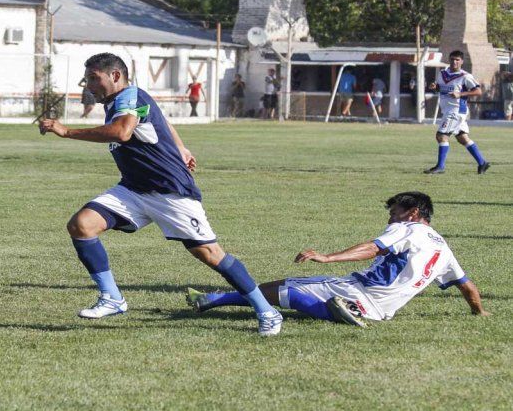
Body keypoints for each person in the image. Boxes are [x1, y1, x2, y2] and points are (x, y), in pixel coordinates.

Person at [39, 53, 283, 336]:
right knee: (82, 225)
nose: (89, 85)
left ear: (115, 76)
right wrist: (181, 147)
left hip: (170, 192)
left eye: (95, 78)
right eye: (88, 79)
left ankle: (267, 311)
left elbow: (121, 133)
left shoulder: (130, 96)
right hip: (134, 188)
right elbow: (162, 121)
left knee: (210, 254)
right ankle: (113, 298)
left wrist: (66, 131)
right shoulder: (125, 100)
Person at [185, 192, 489, 327]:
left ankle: (213, 299)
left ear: (412, 214)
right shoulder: (445, 250)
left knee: (282, 287)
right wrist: (479, 314)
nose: (390, 216)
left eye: (394, 211)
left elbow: (373, 247)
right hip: (382, 310)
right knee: (290, 293)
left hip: (358, 290)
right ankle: (338, 312)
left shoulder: (406, 228)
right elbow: (468, 288)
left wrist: (329, 257)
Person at [424, 50, 490, 174]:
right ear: (449, 60)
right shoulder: (442, 73)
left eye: (457, 60)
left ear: (462, 62)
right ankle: (482, 163)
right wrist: (435, 87)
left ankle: (440, 167)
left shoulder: (465, 76)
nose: (454, 62)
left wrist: (460, 94)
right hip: (447, 110)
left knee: (441, 136)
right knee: (462, 138)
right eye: (452, 59)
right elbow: (441, 88)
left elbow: (478, 92)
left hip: (456, 110)